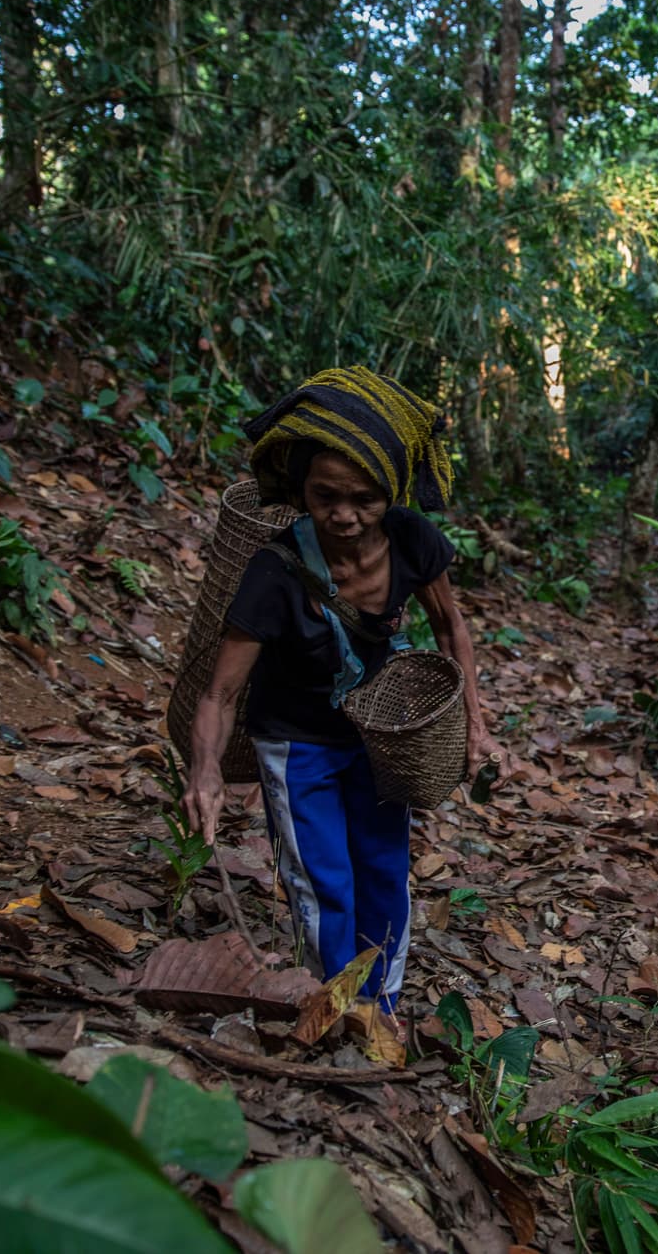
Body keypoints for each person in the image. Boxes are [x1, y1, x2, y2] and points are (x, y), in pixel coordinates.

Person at [182, 367, 494, 1036]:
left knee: (384, 867)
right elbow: (222, 689)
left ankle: (379, 1006)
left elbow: (450, 627)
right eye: (326, 496)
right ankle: (338, 1004)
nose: (344, 515)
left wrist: (476, 723)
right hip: (295, 742)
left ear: (390, 494)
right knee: (324, 881)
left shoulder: (414, 540)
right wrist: (204, 771)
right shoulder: (273, 569)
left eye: (364, 498)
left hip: (378, 736)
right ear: (302, 491)